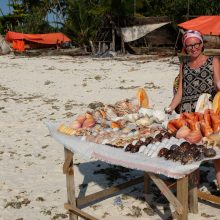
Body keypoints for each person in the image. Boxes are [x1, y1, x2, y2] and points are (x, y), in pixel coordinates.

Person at [166, 30, 220, 188]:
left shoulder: (213, 60)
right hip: (188, 115)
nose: (193, 48)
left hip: (207, 114)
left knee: (216, 153)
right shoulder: (184, 66)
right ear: (185, 47)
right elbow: (181, 92)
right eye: (189, 45)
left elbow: (217, 82)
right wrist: (170, 108)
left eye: (196, 44)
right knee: (191, 150)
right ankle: (193, 188)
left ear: (202, 44)